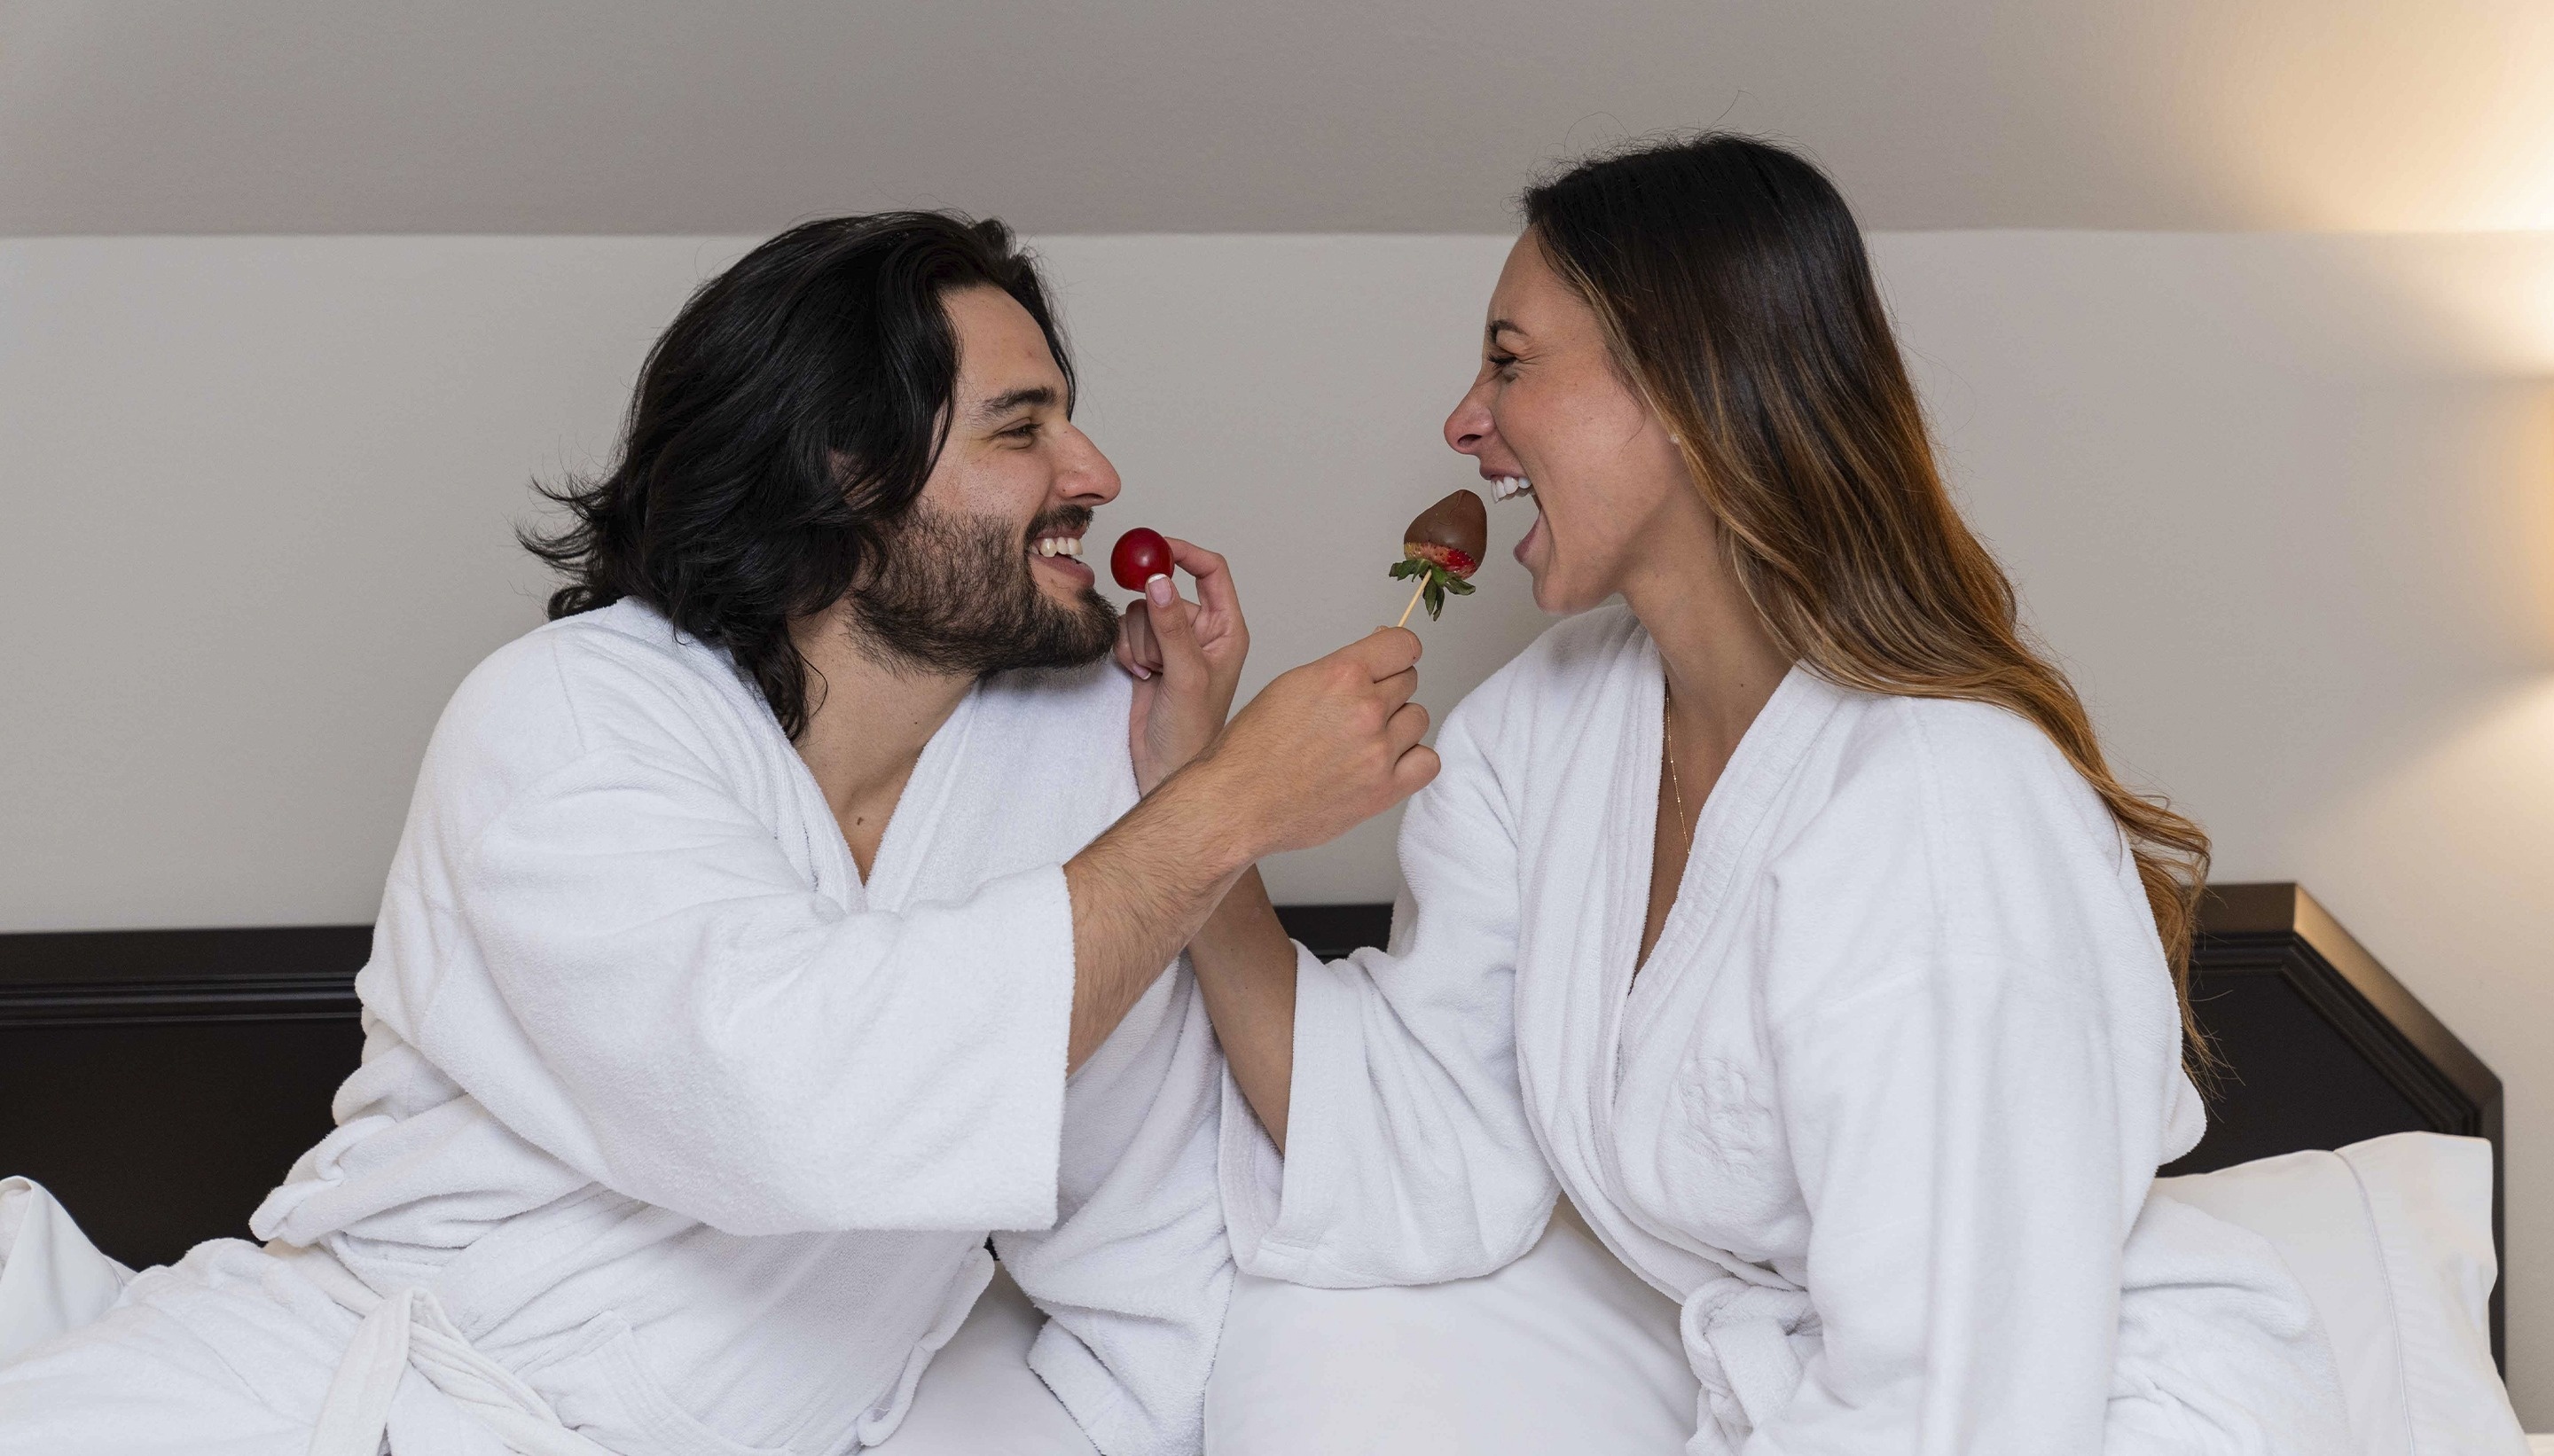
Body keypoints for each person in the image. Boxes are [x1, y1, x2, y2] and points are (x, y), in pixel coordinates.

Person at [0, 212, 1438, 1455]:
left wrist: (1187, 801)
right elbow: (787, 1099)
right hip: (324, 1402)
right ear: (846, 476)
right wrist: (1231, 799)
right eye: (1025, 426)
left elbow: (1155, 1284)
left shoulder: (1070, 784)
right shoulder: (562, 721)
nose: (1098, 470)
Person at [1189, 136, 2352, 1452]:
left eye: (1510, 361)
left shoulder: (1939, 802)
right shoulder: (1541, 733)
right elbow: (1423, 1145)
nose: (1465, 420)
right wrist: (1204, 813)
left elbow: (1961, 1399)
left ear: (1686, 385)